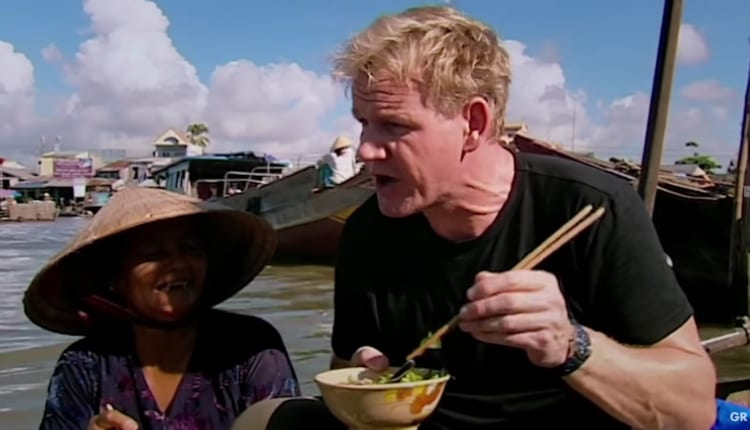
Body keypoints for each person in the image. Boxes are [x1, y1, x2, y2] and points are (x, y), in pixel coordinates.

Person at [327, 5, 717, 430]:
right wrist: (366, 376)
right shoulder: (368, 230)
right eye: (364, 123)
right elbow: (345, 358)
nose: (366, 149)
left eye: (394, 125)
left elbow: (693, 413)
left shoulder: (591, 207)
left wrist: (572, 345)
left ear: (473, 123)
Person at [25, 186, 301, 430]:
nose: (178, 264)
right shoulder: (84, 366)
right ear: (116, 279)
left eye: (191, 249)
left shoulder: (252, 347)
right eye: (153, 254)